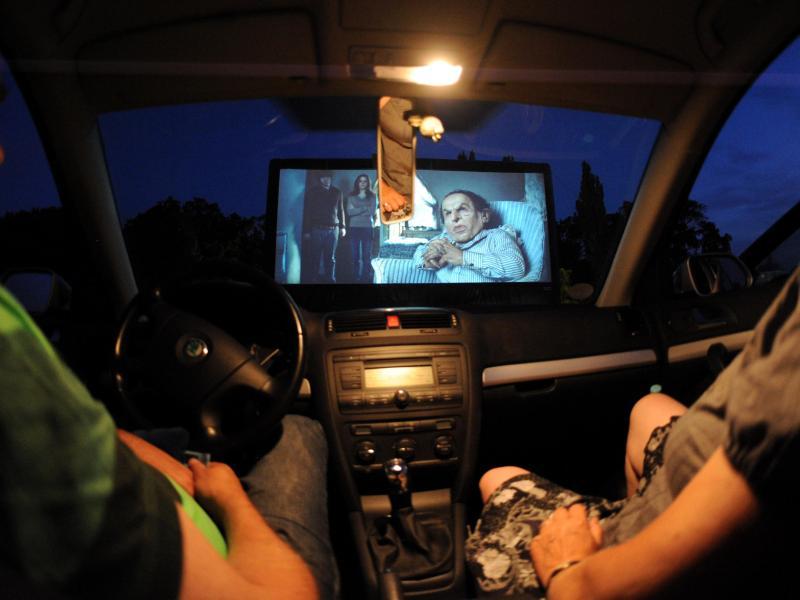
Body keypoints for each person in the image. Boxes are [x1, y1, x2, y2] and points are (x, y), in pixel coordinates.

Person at [467, 267, 800, 598]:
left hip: (636, 562)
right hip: (703, 468)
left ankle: (626, 530)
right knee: (649, 406)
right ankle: (633, 509)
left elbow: (583, 592)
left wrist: (567, 569)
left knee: (498, 478)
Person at [0, 283, 337, 599]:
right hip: (246, 568)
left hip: (178, 498)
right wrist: (229, 498)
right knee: (296, 429)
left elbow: (99, 442)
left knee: (177, 436)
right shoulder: (8, 350)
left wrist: (173, 472)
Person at [412, 190, 526, 283]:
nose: (454, 218)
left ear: (484, 216)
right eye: (448, 213)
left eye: (462, 209)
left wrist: (463, 257)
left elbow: (516, 269)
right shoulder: (443, 239)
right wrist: (428, 260)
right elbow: (419, 253)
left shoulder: (497, 236)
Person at [302, 171, 346, 283]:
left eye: (328, 177)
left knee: (331, 257)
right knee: (315, 256)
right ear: (320, 179)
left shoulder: (337, 192)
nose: (326, 179)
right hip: (317, 229)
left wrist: (343, 227)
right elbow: (308, 212)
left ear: (331, 178)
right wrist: (307, 231)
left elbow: (341, 210)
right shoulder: (313, 192)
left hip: (333, 230)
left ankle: (330, 279)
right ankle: (314, 279)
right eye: (323, 177)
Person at [345, 173, 377, 283]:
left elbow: (372, 212)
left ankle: (366, 278)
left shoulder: (372, 196)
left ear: (368, 183)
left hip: (367, 228)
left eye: (365, 181)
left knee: (366, 256)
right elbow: (349, 212)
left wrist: (356, 209)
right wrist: (364, 208)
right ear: (357, 183)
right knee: (355, 256)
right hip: (354, 228)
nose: (362, 183)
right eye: (360, 181)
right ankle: (356, 278)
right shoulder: (351, 196)